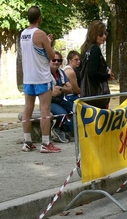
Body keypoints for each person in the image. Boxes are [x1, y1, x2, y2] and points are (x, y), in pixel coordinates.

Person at [20, 6, 61, 153]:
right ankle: (46, 143)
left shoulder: (23, 34)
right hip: (41, 78)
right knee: (45, 110)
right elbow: (51, 56)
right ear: (39, 18)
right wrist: (48, 42)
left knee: (27, 109)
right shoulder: (40, 34)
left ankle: (27, 141)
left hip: (28, 78)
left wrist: (45, 43)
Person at [80, 20, 114, 109]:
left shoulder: (86, 49)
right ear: (93, 34)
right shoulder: (95, 49)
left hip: (87, 94)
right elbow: (92, 73)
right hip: (96, 94)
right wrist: (107, 75)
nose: (104, 36)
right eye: (100, 34)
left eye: (105, 33)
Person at [50, 51, 74, 143]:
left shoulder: (62, 73)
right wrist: (63, 89)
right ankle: (57, 129)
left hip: (61, 100)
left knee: (75, 110)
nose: (56, 62)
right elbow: (53, 94)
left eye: (59, 60)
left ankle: (63, 129)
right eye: (54, 60)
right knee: (62, 114)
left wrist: (59, 88)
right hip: (49, 102)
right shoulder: (45, 73)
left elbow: (70, 89)